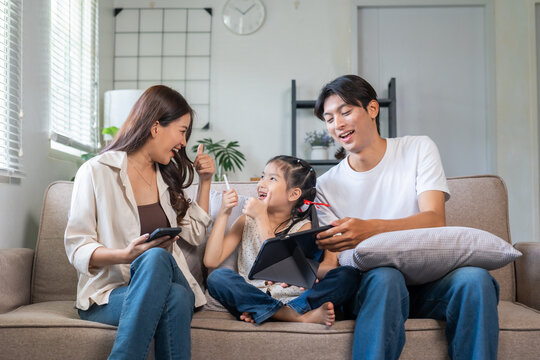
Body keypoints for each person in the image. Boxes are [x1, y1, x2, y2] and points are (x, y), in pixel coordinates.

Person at [313, 75, 500, 360]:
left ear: (372, 109)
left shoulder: (417, 149)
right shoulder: (326, 186)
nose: (337, 124)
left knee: (475, 279)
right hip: (374, 290)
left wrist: (369, 230)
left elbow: (435, 219)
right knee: (386, 277)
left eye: (346, 111)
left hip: (431, 285)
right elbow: (331, 261)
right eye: (329, 118)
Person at [64, 85, 215, 360]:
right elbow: (77, 247)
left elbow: (194, 234)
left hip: (167, 277)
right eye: (182, 131)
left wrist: (206, 182)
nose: (184, 143)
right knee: (176, 298)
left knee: (156, 257)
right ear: (156, 127)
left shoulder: (166, 176)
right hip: (109, 297)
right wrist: (126, 255)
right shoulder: (96, 172)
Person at [204, 155, 361, 326]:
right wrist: (224, 212)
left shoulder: (303, 228)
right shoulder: (246, 220)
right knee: (217, 277)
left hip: (294, 298)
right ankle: (293, 316)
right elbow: (211, 261)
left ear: (293, 194)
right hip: (254, 294)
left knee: (348, 275)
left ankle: (271, 312)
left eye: (272, 179)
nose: (262, 183)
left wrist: (261, 217)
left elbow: (277, 263)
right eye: (263, 176)